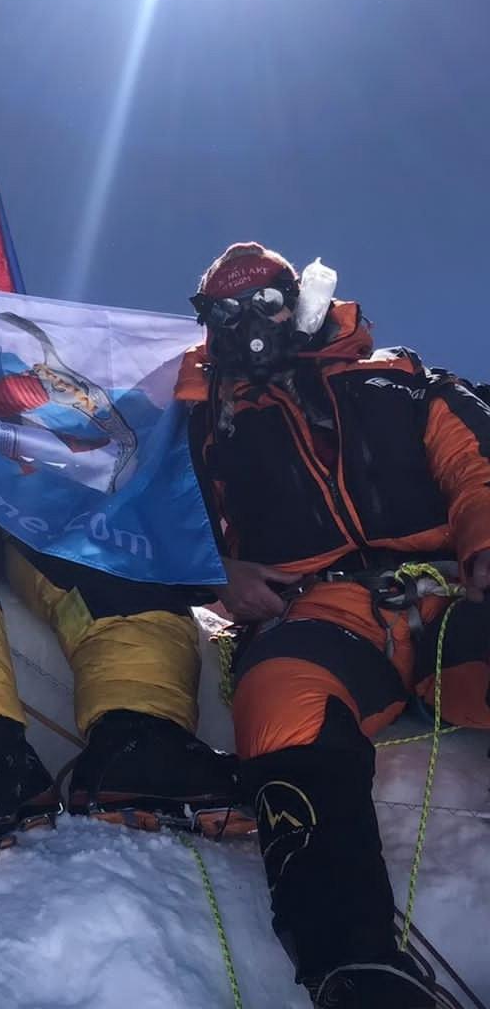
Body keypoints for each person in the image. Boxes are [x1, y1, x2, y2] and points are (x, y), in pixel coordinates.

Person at [0, 213, 247, 859]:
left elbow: (70, 406)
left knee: (117, 552)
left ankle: (137, 745)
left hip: (18, 490)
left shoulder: (4, 349)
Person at [176, 241, 490, 1008]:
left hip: (456, 590)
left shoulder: (402, 383)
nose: (251, 324)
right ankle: (355, 967)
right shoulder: (204, 425)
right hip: (319, 608)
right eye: (227, 311)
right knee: (279, 697)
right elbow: (160, 520)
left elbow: (476, 466)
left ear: (302, 300)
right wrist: (217, 575)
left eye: (267, 303)